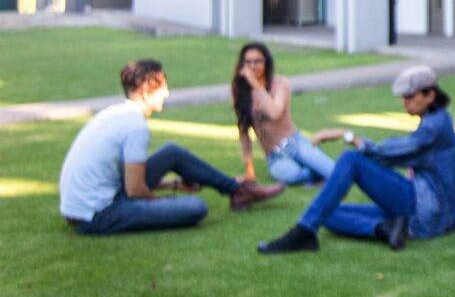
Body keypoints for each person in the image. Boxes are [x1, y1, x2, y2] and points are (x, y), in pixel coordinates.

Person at [257, 64, 455, 254]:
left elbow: (385, 153)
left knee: (351, 159)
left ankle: (303, 232)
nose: (404, 102)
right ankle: (384, 229)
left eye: (410, 97)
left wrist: (347, 135)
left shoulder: (433, 127)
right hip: (441, 211)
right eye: (403, 97)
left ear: (430, 95)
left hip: (428, 213)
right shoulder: (441, 120)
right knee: (327, 213)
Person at [59, 59, 286, 235]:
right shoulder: (134, 125)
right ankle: (240, 191)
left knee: (171, 153)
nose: (167, 93)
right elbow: (135, 190)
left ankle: (237, 191)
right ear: (146, 90)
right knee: (195, 207)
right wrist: (162, 202)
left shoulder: (117, 113)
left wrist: (174, 184)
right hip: (97, 214)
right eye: (162, 88)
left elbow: (128, 178)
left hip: (86, 205)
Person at [231, 42, 336, 185]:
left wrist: (256, 86)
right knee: (293, 176)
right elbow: (243, 132)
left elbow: (275, 113)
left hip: (296, 143)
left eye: (257, 61)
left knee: (333, 171)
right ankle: (315, 174)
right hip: (274, 156)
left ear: (266, 62)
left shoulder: (280, 84)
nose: (253, 66)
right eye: (248, 62)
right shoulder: (240, 91)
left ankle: (322, 171)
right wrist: (249, 170)